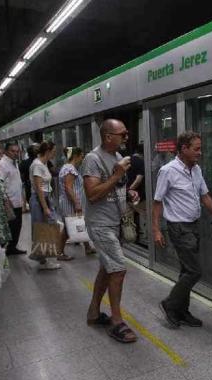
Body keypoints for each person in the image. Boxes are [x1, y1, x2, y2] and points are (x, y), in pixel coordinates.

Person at [152, 132, 212, 328]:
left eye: (200, 148)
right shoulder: (168, 171)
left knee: (185, 271)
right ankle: (170, 304)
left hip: (194, 226)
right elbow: (157, 202)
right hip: (179, 227)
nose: (200, 152)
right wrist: (156, 229)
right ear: (183, 149)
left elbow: (204, 196)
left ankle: (182, 311)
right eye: (196, 148)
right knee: (194, 271)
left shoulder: (196, 169)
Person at [83, 119, 140, 343]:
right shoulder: (92, 159)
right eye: (123, 134)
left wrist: (128, 194)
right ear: (108, 137)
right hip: (100, 223)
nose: (127, 137)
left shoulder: (117, 158)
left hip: (115, 221)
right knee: (118, 269)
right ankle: (117, 321)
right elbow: (93, 194)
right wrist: (116, 176)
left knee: (107, 269)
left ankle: (94, 312)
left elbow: (115, 189)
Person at [29, 141, 70, 267]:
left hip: (45, 198)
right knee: (46, 229)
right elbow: (39, 188)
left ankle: (43, 258)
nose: (54, 154)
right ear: (47, 151)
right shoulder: (37, 165)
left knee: (45, 228)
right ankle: (45, 259)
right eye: (53, 151)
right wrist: (46, 207)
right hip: (40, 199)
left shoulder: (43, 163)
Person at [58, 146, 95, 255]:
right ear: (75, 156)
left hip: (70, 202)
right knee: (68, 228)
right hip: (70, 203)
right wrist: (77, 203)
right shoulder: (70, 169)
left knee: (80, 224)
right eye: (81, 157)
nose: (82, 159)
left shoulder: (68, 167)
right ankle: (60, 252)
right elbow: (68, 187)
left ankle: (87, 247)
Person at [0, 142, 26, 255]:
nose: (15, 153)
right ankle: (3, 249)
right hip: (9, 203)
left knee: (17, 226)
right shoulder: (2, 164)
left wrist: (23, 200)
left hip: (17, 201)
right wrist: (7, 201)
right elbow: (1, 184)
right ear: (6, 151)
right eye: (12, 151)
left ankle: (12, 248)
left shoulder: (15, 163)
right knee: (10, 227)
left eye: (17, 151)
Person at [126, 143, 146, 242]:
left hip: (127, 198)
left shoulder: (126, 160)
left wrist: (126, 192)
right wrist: (130, 190)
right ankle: (146, 238)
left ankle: (131, 239)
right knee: (147, 216)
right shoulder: (141, 162)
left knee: (129, 221)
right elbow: (138, 180)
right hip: (138, 197)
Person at [20, 143, 39, 208]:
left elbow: (21, 177)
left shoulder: (23, 163)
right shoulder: (40, 163)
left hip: (29, 189)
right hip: (39, 189)